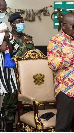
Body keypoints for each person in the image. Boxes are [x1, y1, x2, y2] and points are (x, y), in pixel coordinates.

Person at [0, 0, 19, 131]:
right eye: (0, 9)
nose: (3, 13)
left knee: (7, 107)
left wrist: (6, 38)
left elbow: (13, 50)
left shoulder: (4, 27)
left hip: (6, 77)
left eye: (4, 10)